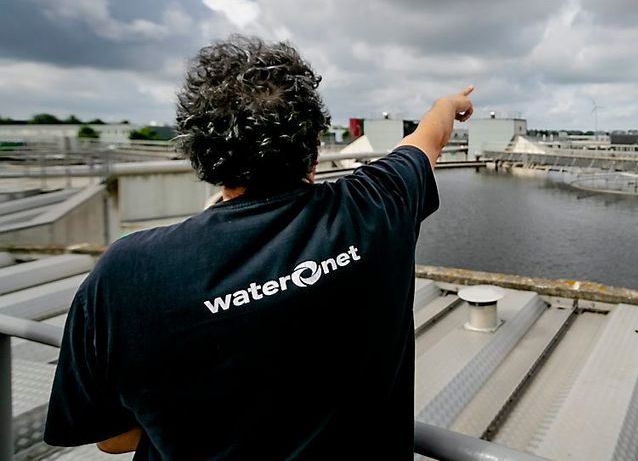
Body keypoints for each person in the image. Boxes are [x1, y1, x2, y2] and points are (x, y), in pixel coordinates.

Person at [43, 35, 474, 459]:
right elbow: (427, 138)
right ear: (314, 148)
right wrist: (447, 105)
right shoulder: (376, 206)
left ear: (202, 156)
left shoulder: (126, 274)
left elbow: (109, 439)